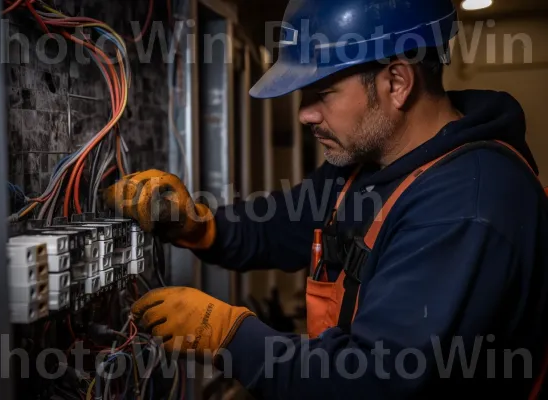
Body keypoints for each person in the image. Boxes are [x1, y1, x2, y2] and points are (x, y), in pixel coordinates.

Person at [105, 0, 548, 398]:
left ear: (397, 82)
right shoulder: (370, 163)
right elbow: (283, 223)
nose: (304, 114)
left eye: (322, 94)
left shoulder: (468, 207)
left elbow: (374, 381)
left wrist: (229, 336)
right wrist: (198, 227)